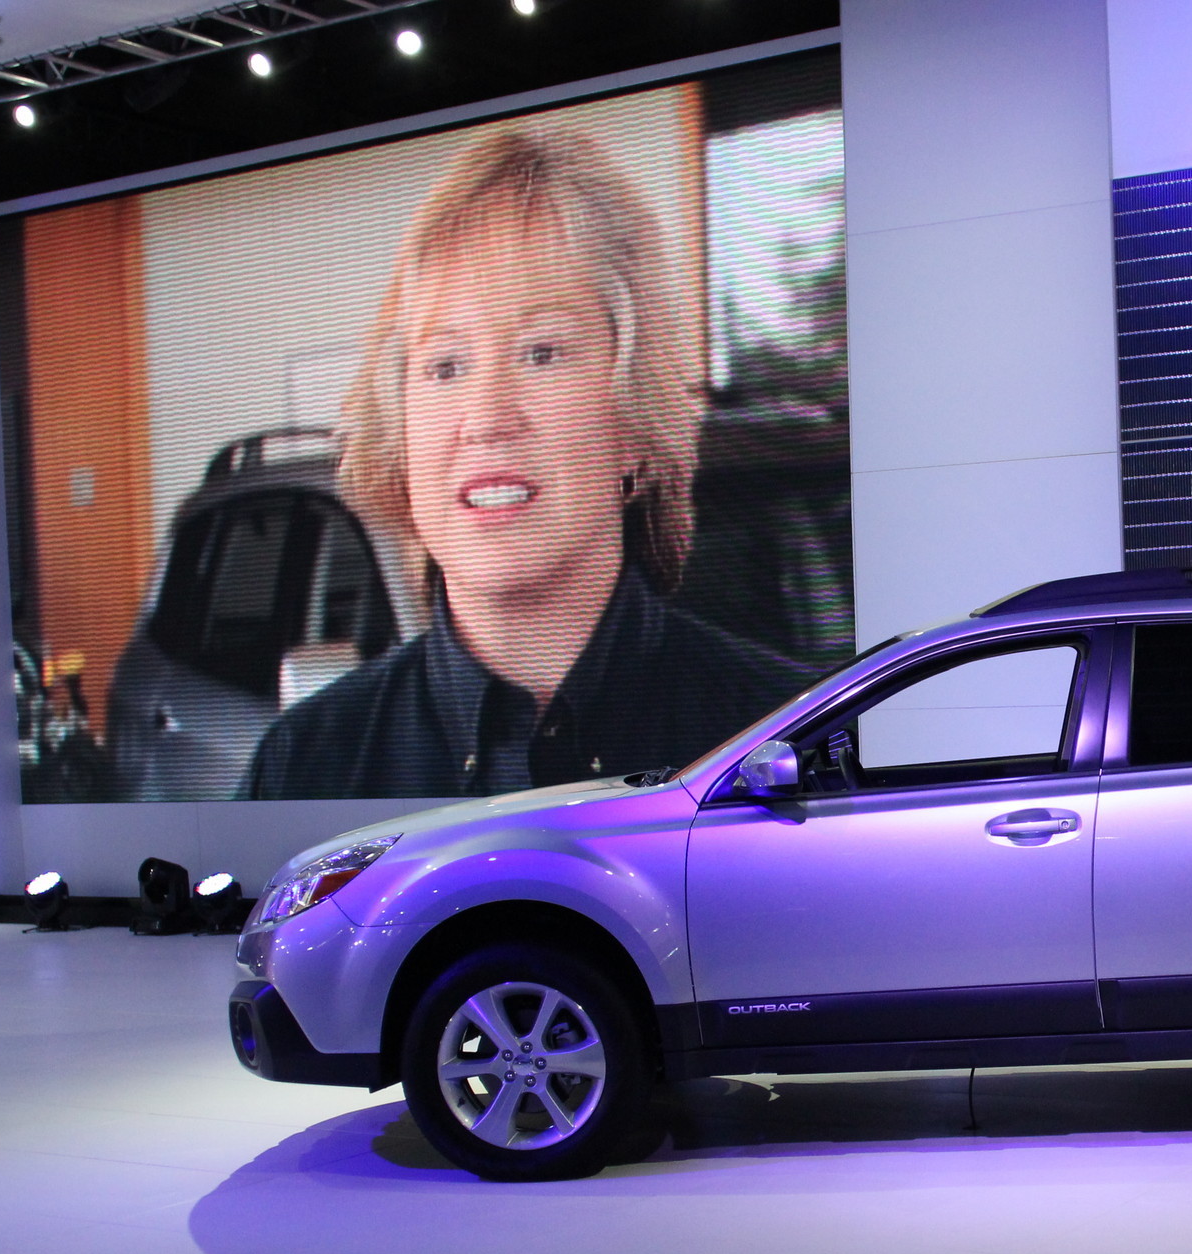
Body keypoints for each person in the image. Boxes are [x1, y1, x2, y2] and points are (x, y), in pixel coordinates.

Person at [244, 124, 812, 799]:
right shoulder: (305, 767)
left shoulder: (788, 741)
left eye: (541, 352)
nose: (485, 419)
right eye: (445, 365)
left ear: (632, 420)